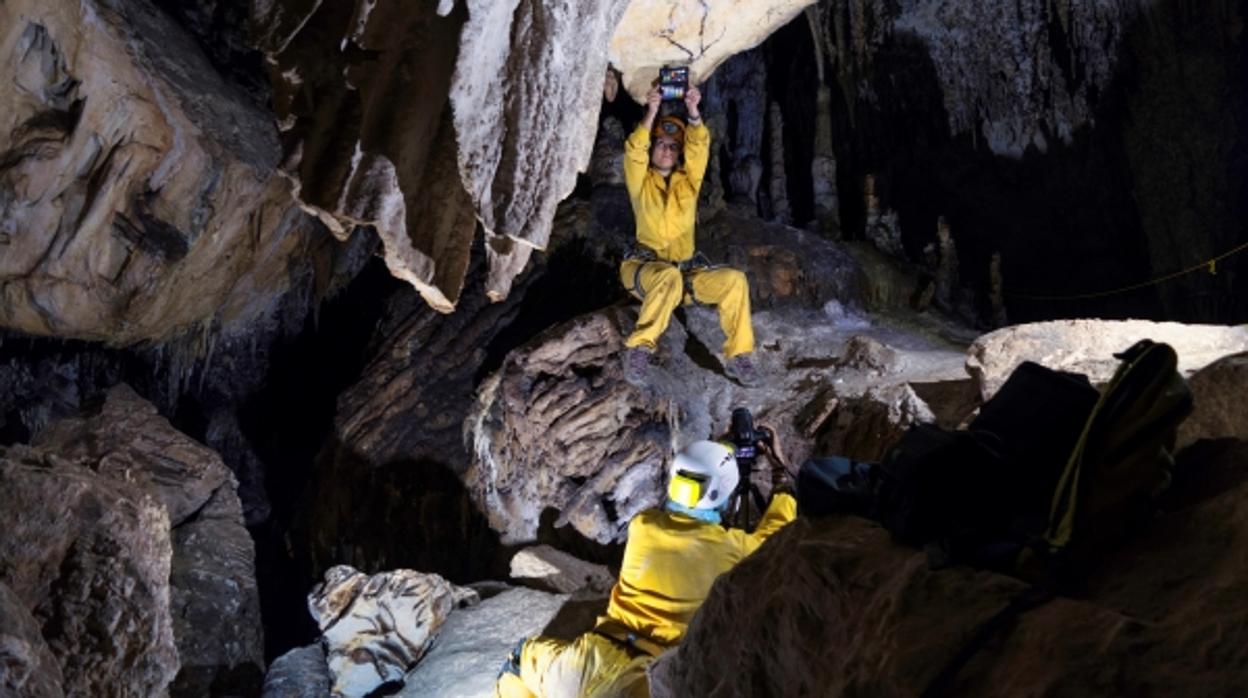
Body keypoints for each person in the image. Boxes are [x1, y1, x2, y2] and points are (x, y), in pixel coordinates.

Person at [495, 439, 796, 697]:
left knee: (519, 662)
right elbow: (780, 529)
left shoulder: (643, 525)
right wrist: (780, 475)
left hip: (589, 662)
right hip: (647, 679)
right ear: (722, 496)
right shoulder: (737, 548)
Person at [619, 78, 760, 388]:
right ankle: (639, 348)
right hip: (644, 271)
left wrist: (694, 111)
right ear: (653, 148)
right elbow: (634, 151)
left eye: (672, 146)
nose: (666, 150)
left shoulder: (689, 182)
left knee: (735, 281)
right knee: (666, 277)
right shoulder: (640, 183)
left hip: (684, 275)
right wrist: (652, 110)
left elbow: (699, 148)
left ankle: (739, 356)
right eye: (660, 144)